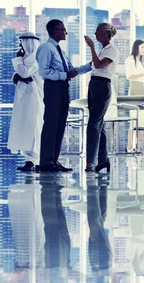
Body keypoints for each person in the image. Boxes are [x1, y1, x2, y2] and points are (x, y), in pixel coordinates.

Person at [37, 19, 92, 173]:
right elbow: (43, 72)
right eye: (63, 29)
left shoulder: (60, 50)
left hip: (63, 88)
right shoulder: (46, 48)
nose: (66, 32)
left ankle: (53, 161)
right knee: (51, 125)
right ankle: (46, 162)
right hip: (53, 88)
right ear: (55, 31)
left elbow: (71, 71)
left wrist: (90, 65)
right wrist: (64, 75)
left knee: (60, 124)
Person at [83, 22, 119, 174]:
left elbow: (98, 65)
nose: (95, 34)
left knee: (93, 124)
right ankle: (103, 161)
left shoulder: (112, 50)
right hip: (94, 85)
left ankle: (90, 162)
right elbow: (91, 65)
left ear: (106, 34)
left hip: (102, 87)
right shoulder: (103, 50)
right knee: (99, 124)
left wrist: (90, 46)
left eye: (97, 31)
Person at [8, 32, 44, 171]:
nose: (20, 46)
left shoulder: (37, 58)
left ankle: (36, 159)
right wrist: (17, 74)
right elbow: (19, 75)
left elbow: (24, 73)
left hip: (34, 98)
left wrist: (18, 63)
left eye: (22, 43)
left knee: (34, 127)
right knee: (25, 128)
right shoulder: (25, 59)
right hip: (24, 99)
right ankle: (29, 160)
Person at [125, 39, 144, 152]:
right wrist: (143, 74)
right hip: (135, 88)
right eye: (142, 47)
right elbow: (129, 76)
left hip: (143, 88)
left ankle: (138, 146)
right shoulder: (130, 60)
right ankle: (129, 146)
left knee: (142, 119)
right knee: (133, 119)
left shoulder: (142, 62)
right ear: (136, 47)